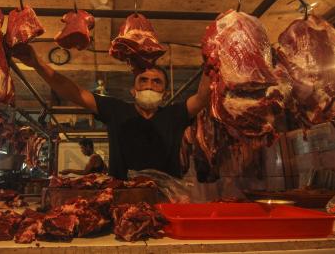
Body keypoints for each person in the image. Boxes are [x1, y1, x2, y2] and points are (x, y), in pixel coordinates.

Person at [12, 45, 210, 180]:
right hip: (122, 196)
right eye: (143, 80)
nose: (149, 86)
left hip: (166, 196)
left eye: (156, 82)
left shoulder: (174, 115)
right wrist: (38, 64)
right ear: (133, 90)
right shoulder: (116, 110)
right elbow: (74, 92)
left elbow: (202, 97)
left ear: (165, 94)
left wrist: (213, 60)